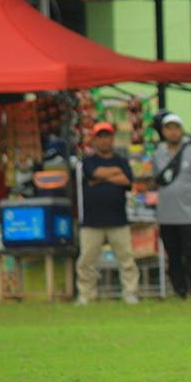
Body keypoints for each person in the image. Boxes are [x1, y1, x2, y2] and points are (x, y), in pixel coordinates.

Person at [151, 113, 191, 300]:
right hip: (166, 214)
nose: (173, 132)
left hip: (188, 214)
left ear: (182, 130)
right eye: (169, 128)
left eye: (176, 128)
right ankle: (179, 291)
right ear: (163, 132)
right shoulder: (158, 155)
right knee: (173, 255)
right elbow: (156, 181)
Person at [75, 122, 140, 305]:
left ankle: (130, 293)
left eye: (107, 136)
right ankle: (86, 295)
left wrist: (101, 178)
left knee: (126, 259)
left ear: (112, 138)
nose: (104, 140)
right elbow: (94, 172)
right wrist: (114, 174)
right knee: (86, 260)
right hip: (92, 220)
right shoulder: (89, 161)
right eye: (100, 137)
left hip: (118, 219)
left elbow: (127, 180)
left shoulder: (121, 161)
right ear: (94, 140)